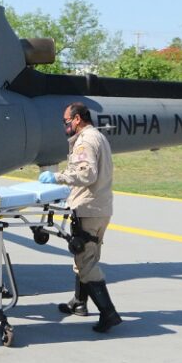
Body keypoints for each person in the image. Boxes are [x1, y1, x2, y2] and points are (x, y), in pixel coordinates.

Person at [39, 102, 122, 333]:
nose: (65, 125)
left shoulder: (85, 140)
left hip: (89, 209)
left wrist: (57, 178)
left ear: (77, 119)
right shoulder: (98, 136)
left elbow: (87, 173)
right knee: (83, 257)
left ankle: (109, 313)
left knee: (87, 262)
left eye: (66, 121)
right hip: (99, 208)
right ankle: (79, 302)